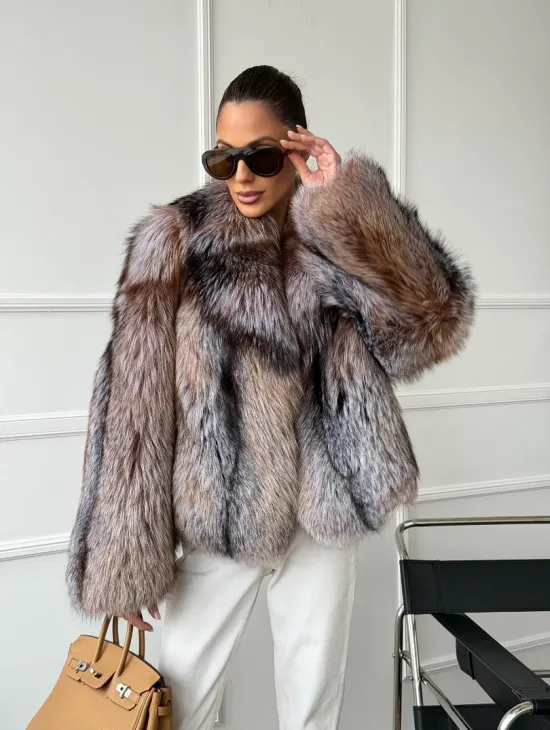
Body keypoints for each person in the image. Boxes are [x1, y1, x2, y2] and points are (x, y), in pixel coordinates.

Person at [65, 65, 476, 730]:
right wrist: (124, 557)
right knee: (180, 706)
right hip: (218, 514)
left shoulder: (334, 233)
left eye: (258, 156)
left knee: (313, 711)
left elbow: (429, 327)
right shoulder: (177, 239)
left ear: (295, 145)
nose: (241, 176)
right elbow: (132, 404)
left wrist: (348, 204)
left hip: (323, 512)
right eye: (223, 158)